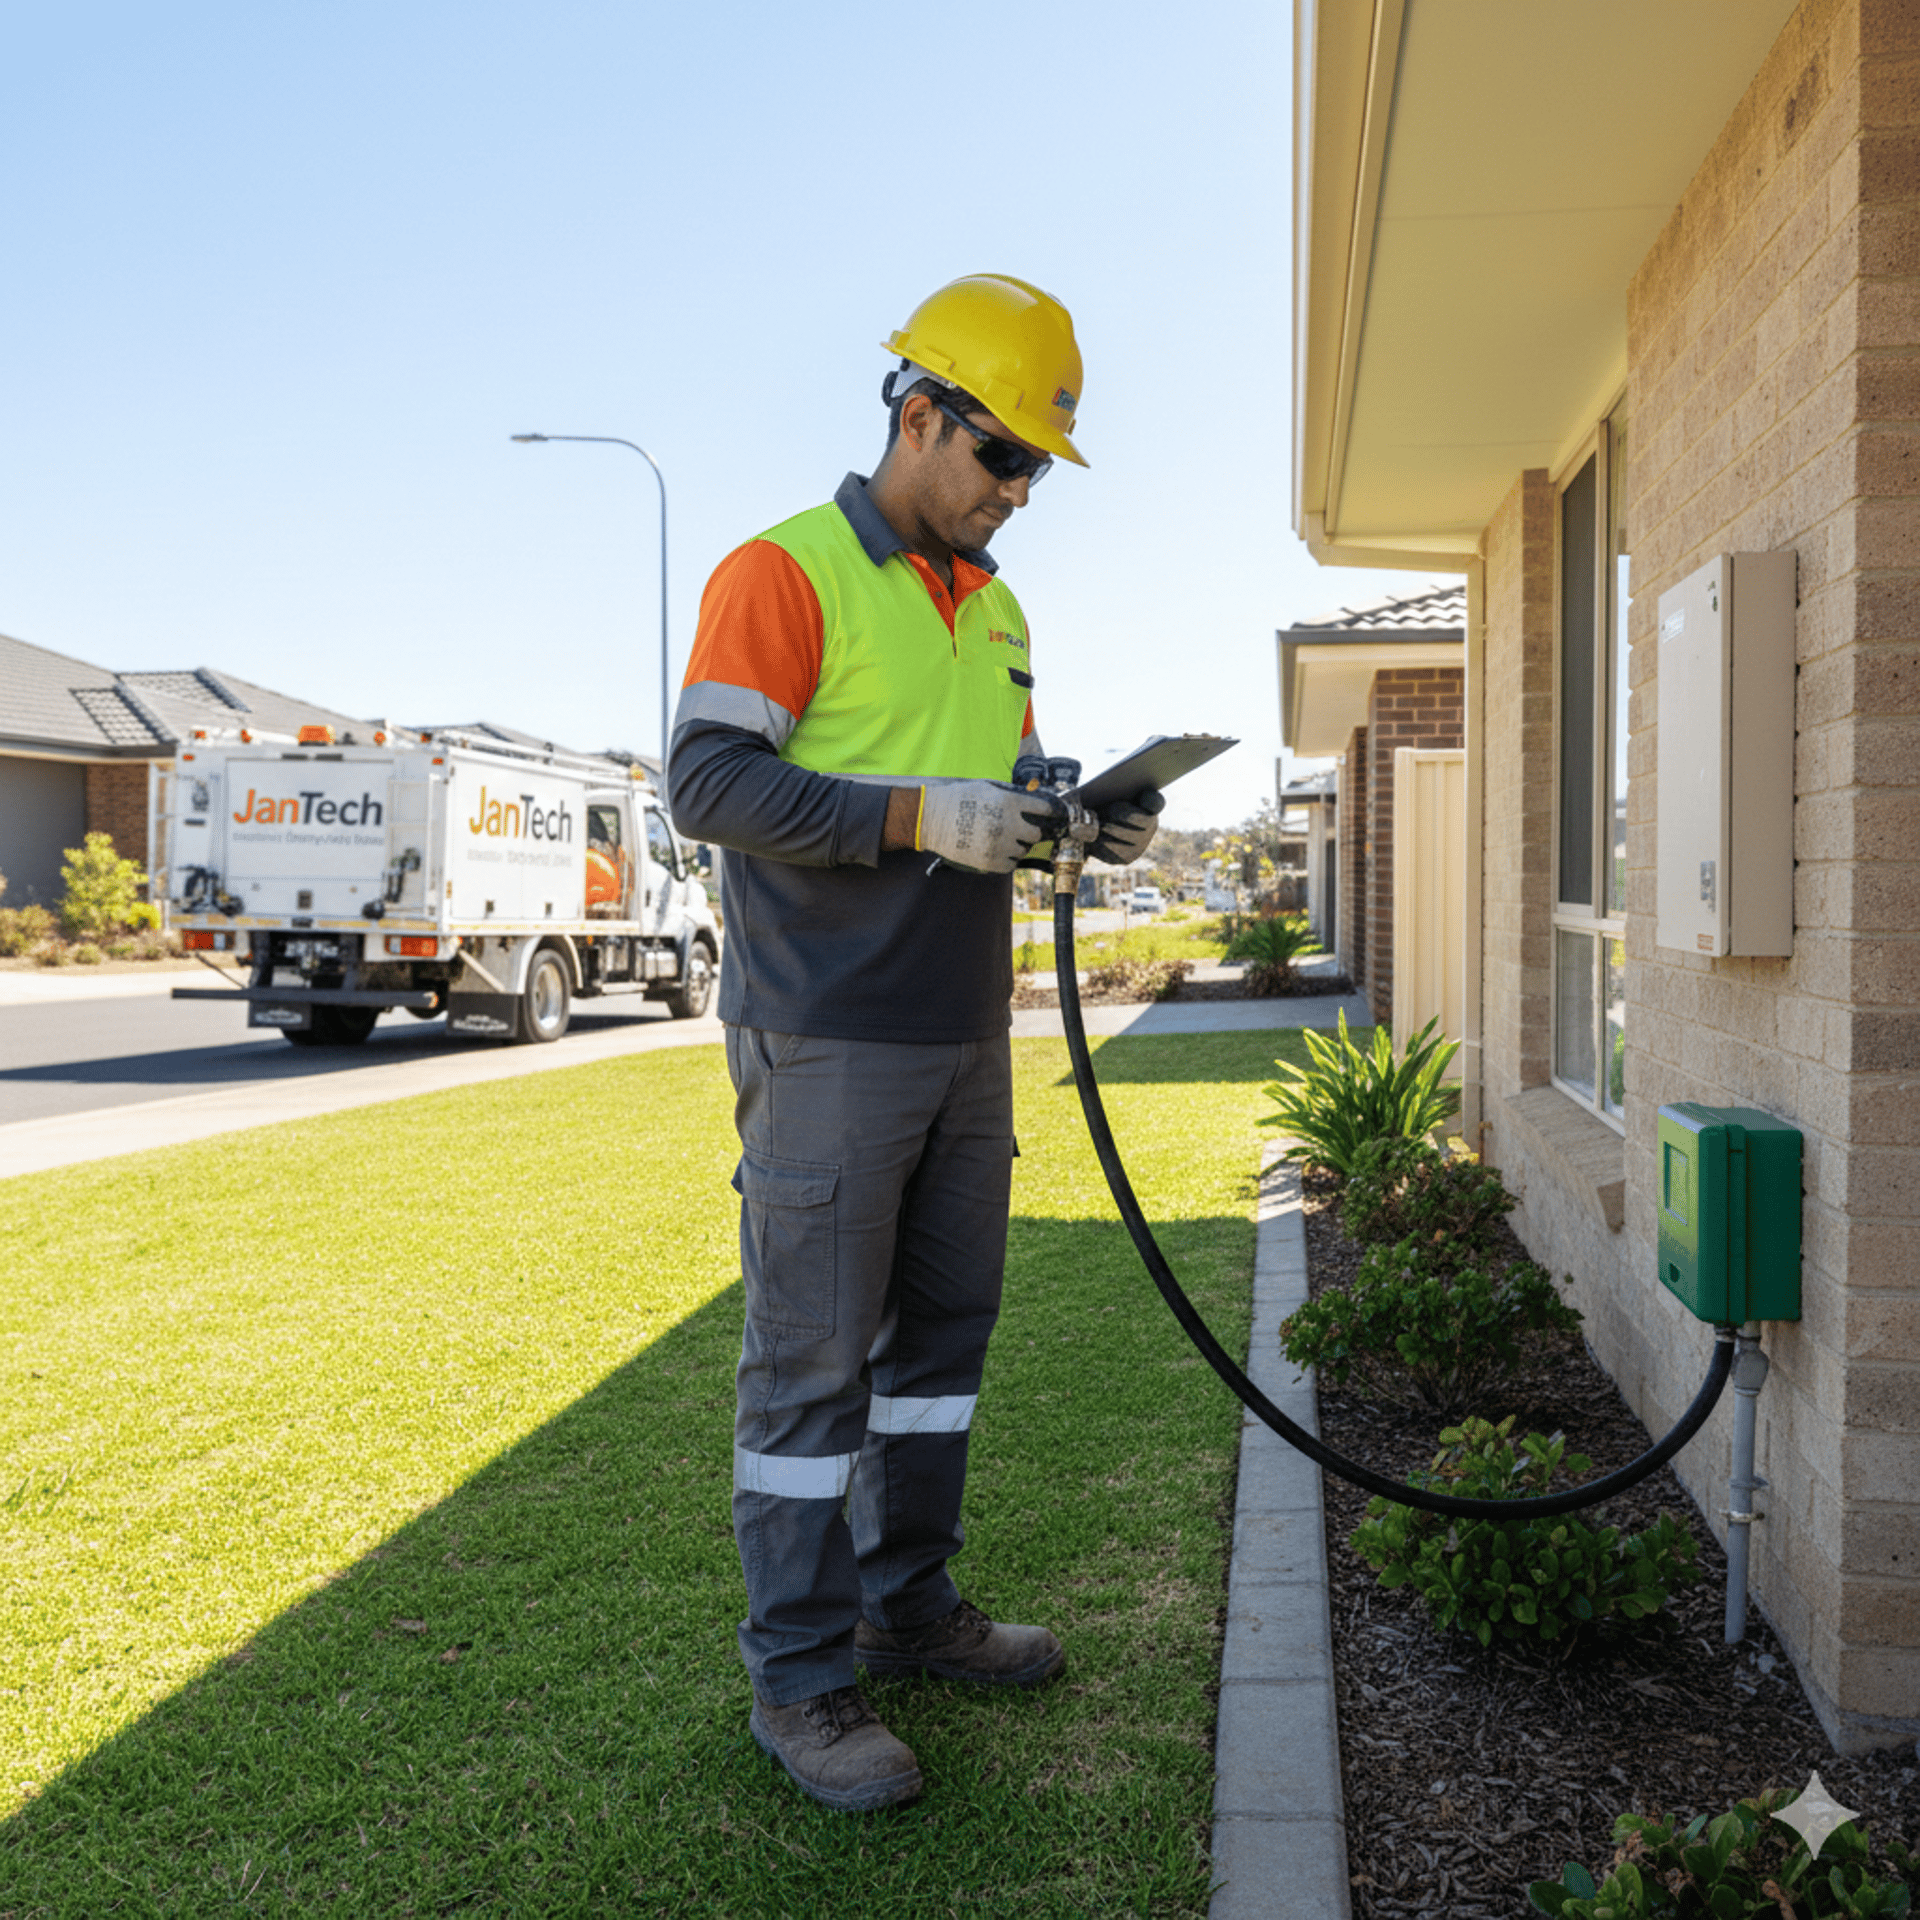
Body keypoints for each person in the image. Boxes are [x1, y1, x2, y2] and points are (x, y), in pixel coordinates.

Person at [667, 273, 1161, 1812]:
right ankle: (801, 1684)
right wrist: (910, 817)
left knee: (938, 1352)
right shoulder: (787, 571)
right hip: (825, 1034)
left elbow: (993, 802)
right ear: (917, 414)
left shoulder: (999, 608)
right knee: (810, 1373)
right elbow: (707, 785)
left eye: (1033, 473)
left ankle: (908, 1608)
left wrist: (1073, 821)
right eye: (1000, 458)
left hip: (962, 1030)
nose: (1018, 496)